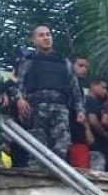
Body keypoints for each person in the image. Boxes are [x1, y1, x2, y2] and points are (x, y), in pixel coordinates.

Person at [16, 26, 85, 162]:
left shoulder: (63, 61)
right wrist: (19, 99)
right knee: (36, 144)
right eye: (41, 35)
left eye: (48, 34)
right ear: (34, 40)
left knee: (62, 144)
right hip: (36, 108)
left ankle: (57, 173)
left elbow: (75, 87)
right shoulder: (28, 61)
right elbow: (18, 83)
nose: (46, 38)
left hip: (59, 108)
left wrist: (80, 110)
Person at [85, 77, 108, 172]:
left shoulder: (97, 101)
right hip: (96, 142)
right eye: (103, 87)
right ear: (93, 85)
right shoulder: (91, 100)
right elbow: (93, 121)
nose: (105, 91)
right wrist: (107, 135)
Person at [67, 55, 92, 168]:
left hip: (77, 131)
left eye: (86, 67)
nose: (84, 69)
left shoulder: (80, 87)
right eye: (80, 65)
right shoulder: (66, 84)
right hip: (69, 130)